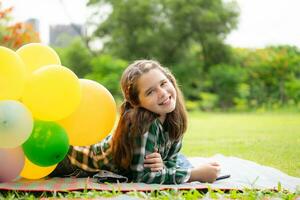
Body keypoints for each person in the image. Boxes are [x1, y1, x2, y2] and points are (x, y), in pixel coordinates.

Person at [49, 59, 220, 184]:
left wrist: (164, 165)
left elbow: (172, 160)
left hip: (92, 150)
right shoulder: (145, 125)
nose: (162, 93)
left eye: (163, 83)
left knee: (182, 159)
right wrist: (195, 174)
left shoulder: (173, 117)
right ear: (137, 102)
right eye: (150, 92)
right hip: (70, 160)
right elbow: (143, 177)